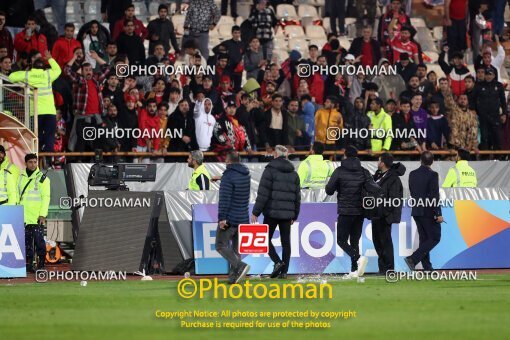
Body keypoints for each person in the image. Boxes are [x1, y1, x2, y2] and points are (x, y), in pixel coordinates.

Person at [326, 146, 381, 278]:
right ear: (357, 156)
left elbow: (329, 190)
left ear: (345, 155)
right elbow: (375, 189)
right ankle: (354, 270)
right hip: (360, 211)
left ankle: (357, 259)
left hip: (345, 211)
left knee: (341, 240)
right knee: (355, 241)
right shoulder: (363, 171)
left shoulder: (339, 171)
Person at [251, 145, 301, 279]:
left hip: (271, 212)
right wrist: (295, 214)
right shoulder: (293, 173)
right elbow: (297, 197)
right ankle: (284, 272)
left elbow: (263, 194)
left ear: (275, 155)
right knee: (286, 243)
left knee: (265, 239)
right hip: (287, 215)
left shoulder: (270, 170)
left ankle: (277, 261)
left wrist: (256, 212)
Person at [9, 51, 61, 155]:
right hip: (50, 112)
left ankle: (36, 156)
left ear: (32, 66)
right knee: (49, 135)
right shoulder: (48, 74)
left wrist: (26, 72)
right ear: (43, 68)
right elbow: (58, 70)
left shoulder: (28, 75)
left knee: (35, 136)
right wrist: (50, 58)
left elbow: (11, 77)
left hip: (35, 112)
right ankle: (48, 160)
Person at [216, 151, 251, 284]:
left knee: (220, 245)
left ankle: (240, 265)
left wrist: (222, 218)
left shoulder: (228, 176)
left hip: (230, 219)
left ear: (228, 161)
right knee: (236, 249)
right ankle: (234, 277)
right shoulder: (246, 174)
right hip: (243, 217)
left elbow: (224, 199)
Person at [405, 151, 443, 271]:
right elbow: (434, 196)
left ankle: (427, 267)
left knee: (424, 239)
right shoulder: (433, 175)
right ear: (432, 162)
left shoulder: (412, 174)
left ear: (420, 160)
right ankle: (413, 259)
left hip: (416, 210)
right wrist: (438, 213)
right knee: (435, 237)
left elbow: (412, 191)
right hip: (428, 211)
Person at [371, 153, 405, 273]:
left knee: (385, 243)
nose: (377, 163)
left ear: (383, 163)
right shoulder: (378, 175)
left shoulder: (393, 178)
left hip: (384, 216)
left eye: (379, 160)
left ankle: (390, 269)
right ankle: (382, 269)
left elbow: (394, 199)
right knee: (377, 242)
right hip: (375, 214)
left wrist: (384, 213)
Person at [18, 153, 50, 272]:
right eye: (30, 162)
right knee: (26, 242)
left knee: (39, 241)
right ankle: (29, 264)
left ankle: (41, 264)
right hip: (24, 216)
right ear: (25, 163)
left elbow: (46, 197)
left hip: (37, 216)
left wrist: (43, 214)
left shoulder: (43, 178)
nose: (33, 164)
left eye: (35, 162)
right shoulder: (20, 177)